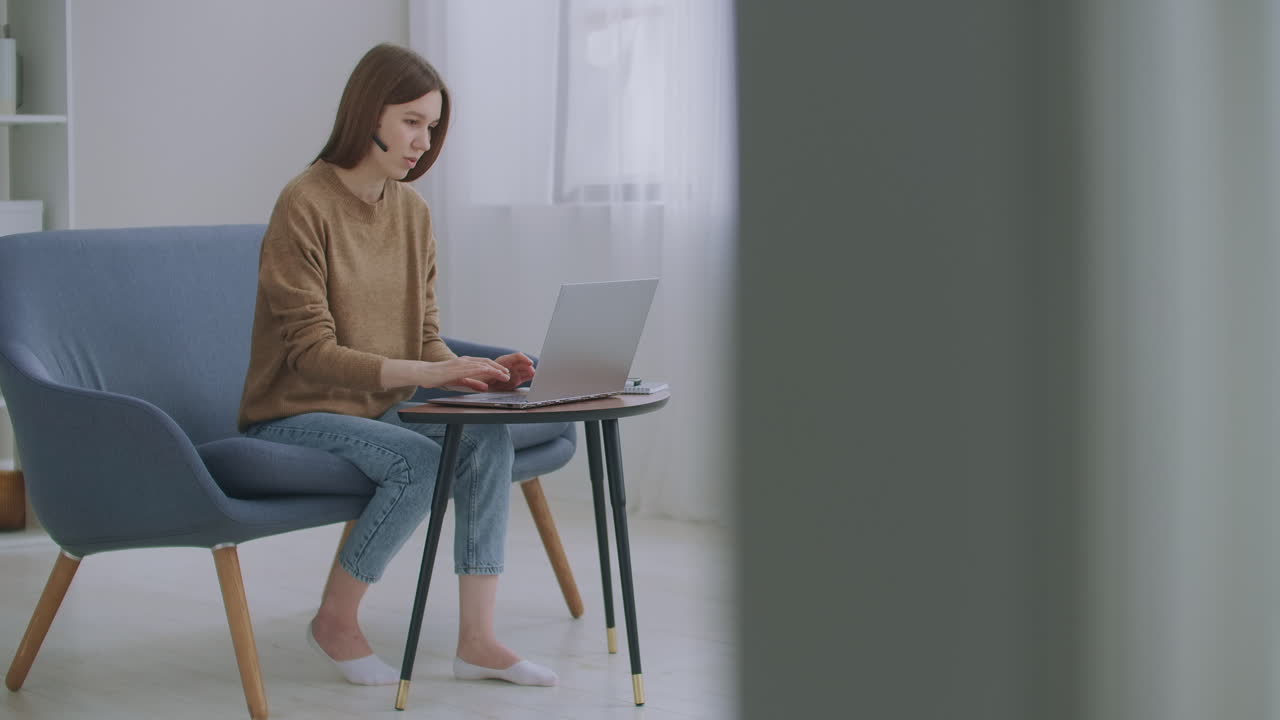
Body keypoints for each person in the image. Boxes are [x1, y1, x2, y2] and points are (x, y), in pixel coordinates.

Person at [236, 43, 557, 688]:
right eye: (411, 120)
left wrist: (473, 371)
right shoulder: (304, 202)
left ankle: (478, 641)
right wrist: (428, 374)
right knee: (419, 460)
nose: (422, 140)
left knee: (485, 435)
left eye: (431, 126)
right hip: (297, 411)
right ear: (369, 111)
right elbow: (310, 355)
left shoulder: (412, 211)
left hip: (381, 405)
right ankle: (334, 620)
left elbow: (426, 338)